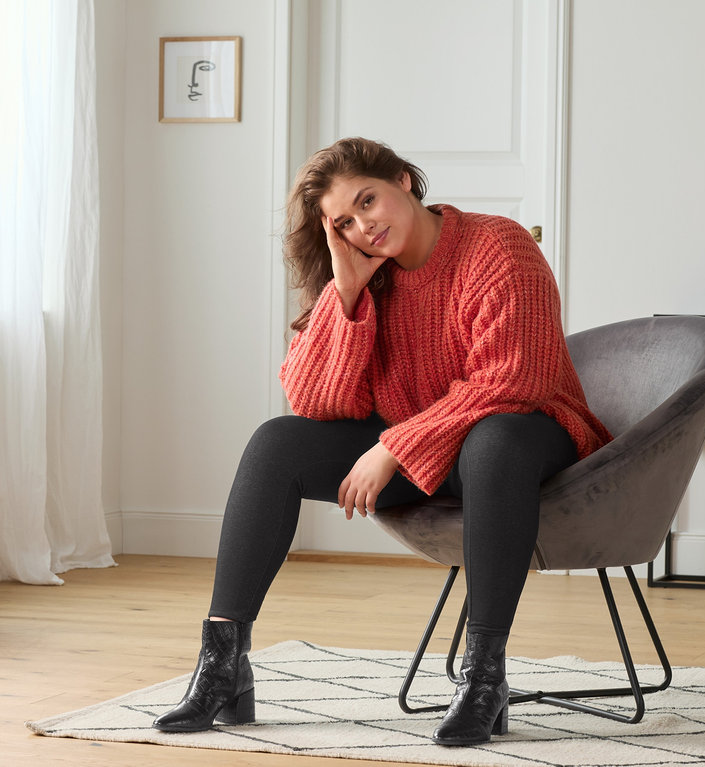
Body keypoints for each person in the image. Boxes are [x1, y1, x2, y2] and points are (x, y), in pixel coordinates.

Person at [152, 137, 612, 746]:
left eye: (368, 201)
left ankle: (483, 679)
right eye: (344, 222)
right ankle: (222, 667)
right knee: (274, 444)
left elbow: (513, 380)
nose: (364, 225)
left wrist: (392, 446)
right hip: (433, 450)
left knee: (493, 440)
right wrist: (344, 294)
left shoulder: (497, 245)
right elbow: (315, 402)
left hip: (527, 437)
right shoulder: (370, 278)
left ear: (404, 181)